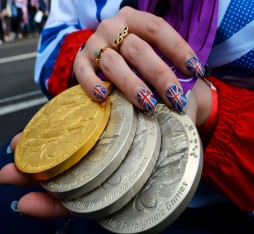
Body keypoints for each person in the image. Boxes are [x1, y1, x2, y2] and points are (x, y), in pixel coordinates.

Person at [0, 0, 253, 232]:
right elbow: (53, 41)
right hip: (84, 163)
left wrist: (213, 110)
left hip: (224, 200)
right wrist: (91, 62)